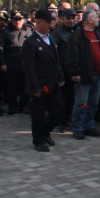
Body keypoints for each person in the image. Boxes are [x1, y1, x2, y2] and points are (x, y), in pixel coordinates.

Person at [66, 10, 100, 140]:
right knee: (82, 102)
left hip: (98, 74)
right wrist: (74, 73)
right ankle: (78, 128)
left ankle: (89, 125)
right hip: (85, 74)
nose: (98, 19)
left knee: (93, 102)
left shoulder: (98, 33)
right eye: (95, 17)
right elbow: (72, 55)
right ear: (88, 20)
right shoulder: (78, 35)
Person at [21, 9, 63, 151]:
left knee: (57, 111)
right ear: (39, 23)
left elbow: (56, 60)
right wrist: (34, 88)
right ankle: (39, 140)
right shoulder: (31, 43)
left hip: (53, 83)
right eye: (48, 22)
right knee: (38, 115)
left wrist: (60, 76)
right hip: (39, 85)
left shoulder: (51, 38)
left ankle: (45, 133)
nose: (51, 24)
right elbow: (29, 68)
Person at [0, 11, 32, 115]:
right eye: (15, 19)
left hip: (25, 65)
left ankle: (23, 107)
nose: (17, 22)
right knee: (12, 88)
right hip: (11, 64)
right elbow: (0, 48)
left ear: (24, 20)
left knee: (24, 88)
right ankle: (12, 107)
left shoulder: (29, 31)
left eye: (20, 19)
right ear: (12, 20)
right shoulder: (5, 31)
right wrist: (2, 63)